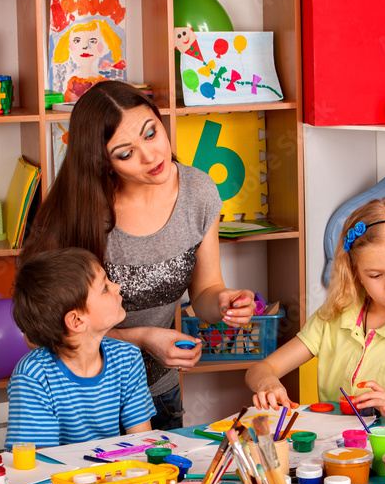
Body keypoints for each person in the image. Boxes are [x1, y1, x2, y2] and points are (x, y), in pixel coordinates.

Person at [22, 80, 255, 431]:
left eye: (151, 133)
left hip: (156, 395)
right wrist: (142, 338)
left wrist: (224, 302)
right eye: (125, 153)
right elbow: (38, 331)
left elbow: (205, 292)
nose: (152, 156)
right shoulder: (76, 214)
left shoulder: (198, 192)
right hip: (81, 402)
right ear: (103, 161)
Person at [246, 198, 385, 434]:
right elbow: (259, 369)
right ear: (355, 272)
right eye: (375, 275)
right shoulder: (332, 317)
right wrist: (268, 383)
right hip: (339, 455)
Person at [5, 248, 154, 448]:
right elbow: (40, 462)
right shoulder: (33, 375)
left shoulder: (127, 358)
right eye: (104, 288)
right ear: (76, 321)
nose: (117, 287)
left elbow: (142, 444)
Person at [51, 19, 123, 102]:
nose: (85, 46)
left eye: (93, 41)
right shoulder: (71, 82)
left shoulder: (106, 84)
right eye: (77, 41)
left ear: (106, 44)